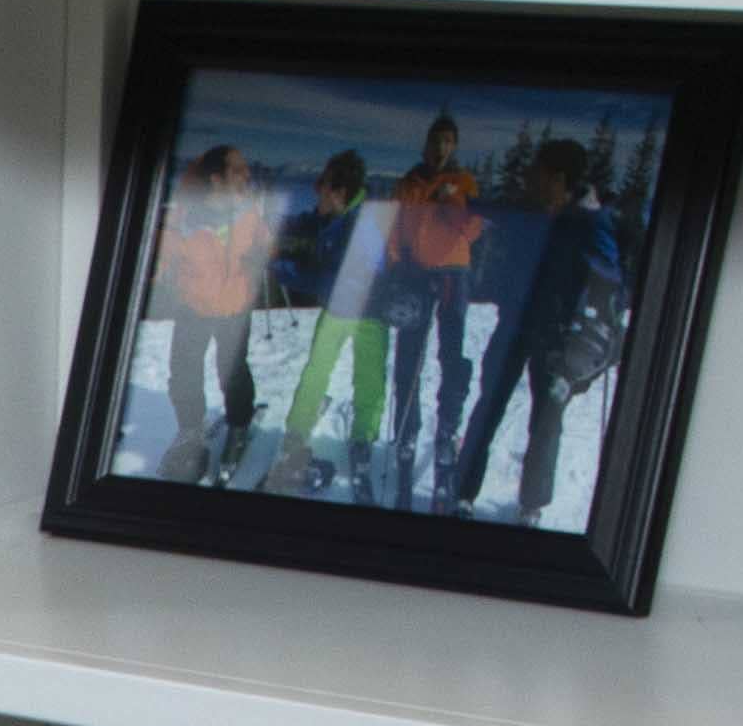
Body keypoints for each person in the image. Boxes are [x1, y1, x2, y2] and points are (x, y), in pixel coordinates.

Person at [448, 134, 630, 523]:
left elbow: (613, 275)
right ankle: (463, 493)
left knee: (545, 421)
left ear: (559, 178)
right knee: (488, 407)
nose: (531, 177)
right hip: (513, 325)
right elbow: (496, 211)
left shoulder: (588, 221)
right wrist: (461, 204)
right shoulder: (531, 209)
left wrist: (596, 255)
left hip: (554, 335)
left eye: (539, 172)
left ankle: (532, 503)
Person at [148, 142, 279, 480]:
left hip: (234, 306)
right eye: (238, 170)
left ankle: (239, 424)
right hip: (193, 305)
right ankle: (190, 430)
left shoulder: (248, 212)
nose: (246, 175)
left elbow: (266, 243)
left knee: (231, 370)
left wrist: (263, 255)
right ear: (217, 179)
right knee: (184, 372)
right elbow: (162, 253)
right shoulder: (184, 214)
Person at [270, 147, 396, 496]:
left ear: (339, 193)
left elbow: (327, 281)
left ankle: (363, 437)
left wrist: (279, 267)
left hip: (369, 314)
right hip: (339, 309)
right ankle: (297, 432)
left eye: (321, 185)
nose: (316, 190)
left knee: (368, 380)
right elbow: (313, 224)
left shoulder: (363, 226)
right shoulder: (338, 216)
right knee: (317, 371)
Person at [377, 124, 491, 505]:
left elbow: (473, 229)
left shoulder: (463, 182)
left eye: (448, 142)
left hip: (454, 274)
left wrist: (452, 203)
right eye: (436, 141)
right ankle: (407, 433)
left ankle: (446, 433)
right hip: (415, 272)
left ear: (453, 146)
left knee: (451, 355)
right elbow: (394, 229)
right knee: (409, 358)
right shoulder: (409, 183)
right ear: (426, 144)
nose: (441, 148)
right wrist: (395, 267)